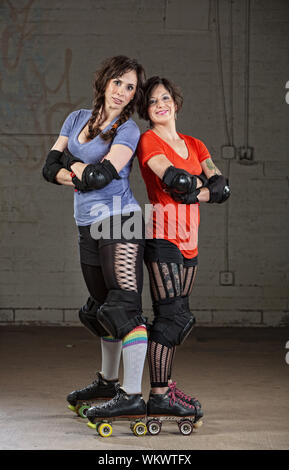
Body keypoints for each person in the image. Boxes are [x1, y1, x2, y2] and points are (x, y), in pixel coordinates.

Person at [42, 56, 148, 423]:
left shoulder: (128, 129)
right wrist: (77, 169)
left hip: (121, 220)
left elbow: (101, 177)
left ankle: (133, 395)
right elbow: (47, 168)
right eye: (118, 82)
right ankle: (108, 382)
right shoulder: (75, 119)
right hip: (86, 222)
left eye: (130, 87)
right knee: (101, 307)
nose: (122, 91)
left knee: (123, 309)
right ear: (105, 81)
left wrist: (69, 165)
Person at [137, 76, 230, 428]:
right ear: (147, 111)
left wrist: (197, 190)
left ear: (175, 102)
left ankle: (165, 387)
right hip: (162, 236)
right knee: (170, 318)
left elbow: (220, 186)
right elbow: (173, 179)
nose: (161, 104)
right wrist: (194, 188)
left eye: (165, 98)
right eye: (152, 101)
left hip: (190, 239)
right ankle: (159, 397)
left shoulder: (195, 143)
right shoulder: (149, 140)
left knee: (179, 318)